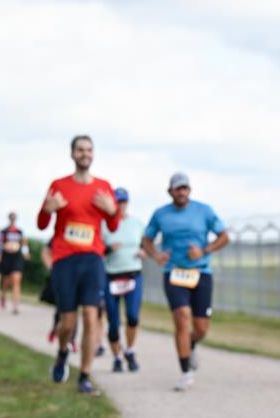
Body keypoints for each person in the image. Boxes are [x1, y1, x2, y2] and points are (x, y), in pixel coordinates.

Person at [37, 134, 119, 395]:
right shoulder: (59, 185)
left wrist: (111, 210)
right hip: (64, 259)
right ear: (72, 154)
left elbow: (113, 225)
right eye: (80, 150)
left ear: (93, 155)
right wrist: (48, 209)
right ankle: (62, 353)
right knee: (68, 322)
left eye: (89, 150)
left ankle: (85, 375)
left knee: (91, 317)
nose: (85, 154)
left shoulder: (104, 187)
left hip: (93, 258)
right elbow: (41, 224)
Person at [141, 172, 229, 392]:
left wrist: (204, 250)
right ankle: (185, 371)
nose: (181, 192)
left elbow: (224, 236)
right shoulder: (161, 214)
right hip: (174, 273)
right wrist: (155, 255)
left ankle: (191, 344)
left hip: (201, 272)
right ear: (170, 191)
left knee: (201, 327)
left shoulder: (204, 211)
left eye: (185, 188)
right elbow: (147, 239)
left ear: (189, 190)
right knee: (182, 318)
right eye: (177, 188)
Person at [102, 188, 145, 373]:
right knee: (113, 323)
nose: (120, 205)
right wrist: (109, 249)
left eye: (123, 201)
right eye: (117, 201)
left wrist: (144, 252)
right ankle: (117, 358)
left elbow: (146, 244)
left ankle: (130, 350)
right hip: (111, 276)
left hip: (133, 275)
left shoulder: (137, 223)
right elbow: (97, 251)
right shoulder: (104, 224)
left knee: (133, 316)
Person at [0, 212, 27, 314]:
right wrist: (5, 247)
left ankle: (15, 306)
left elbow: (23, 243)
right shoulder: (4, 231)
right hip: (7, 257)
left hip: (17, 258)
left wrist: (25, 252)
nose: (12, 219)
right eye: (11, 218)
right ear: (9, 219)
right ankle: (3, 296)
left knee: (16, 282)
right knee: (6, 282)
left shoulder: (19, 232)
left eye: (14, 218)